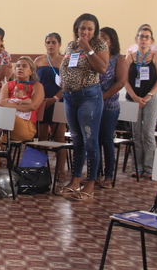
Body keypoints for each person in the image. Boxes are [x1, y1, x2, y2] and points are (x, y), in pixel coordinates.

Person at [57, 13, 108, 201]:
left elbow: (102, 68)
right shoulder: (71, 45)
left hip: (89, 97)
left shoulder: (99, 45)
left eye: (89, 29)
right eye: (82, 28)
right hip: (70, 97)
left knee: (90, 141)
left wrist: (88, 49)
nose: (85, 31)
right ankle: (75, 180)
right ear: (76, 28)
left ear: (94, 31)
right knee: (76, 140)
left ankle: (90, 184)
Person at [0, 57, 45, 172]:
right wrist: (12, 107)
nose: (20, 68)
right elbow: (2, 105)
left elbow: (33, 106)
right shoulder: (8, 85)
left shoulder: (37, 86)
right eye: (18, 66)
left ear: (31, 71)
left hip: (26, 127)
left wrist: (11, 106)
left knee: (4, 117)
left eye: (24, 66)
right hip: (5, 129)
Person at [124, 26, 157, 179]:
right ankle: (137, 167)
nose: (144, 39)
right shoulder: (130, 57)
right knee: (136, 133)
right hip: (134, 99)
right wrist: (134, 96)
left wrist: (148, 96)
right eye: (141, 36)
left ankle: (149, 167)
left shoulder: (155, 57)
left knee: (147, 133)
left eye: (147, 37)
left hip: (150, 99)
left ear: (151, 40)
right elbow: (124, 80)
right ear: (137, 39)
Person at [97, 27, 128, 188]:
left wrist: (102, 97)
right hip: (93, 106)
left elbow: (121, 82)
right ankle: (94, 175)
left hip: (109, 106)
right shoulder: (96, 58)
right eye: (100, 38)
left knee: (106, 140)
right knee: (93, 141)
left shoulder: (118, 59)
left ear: (112, 41)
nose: (102, 41)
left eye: (105, 38)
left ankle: (109, 176)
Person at [34, 33, 67, 180]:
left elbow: (67, 84)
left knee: (59, 137)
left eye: (54, 42)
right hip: (41, 103)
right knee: (41, 137)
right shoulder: (39, 60)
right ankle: (41, 171)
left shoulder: (65, 61)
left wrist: (55, 98)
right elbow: (33, 82)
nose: (50, 45)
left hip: (59, 102)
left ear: (59, 44)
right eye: (48, 42)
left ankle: (60, 171)